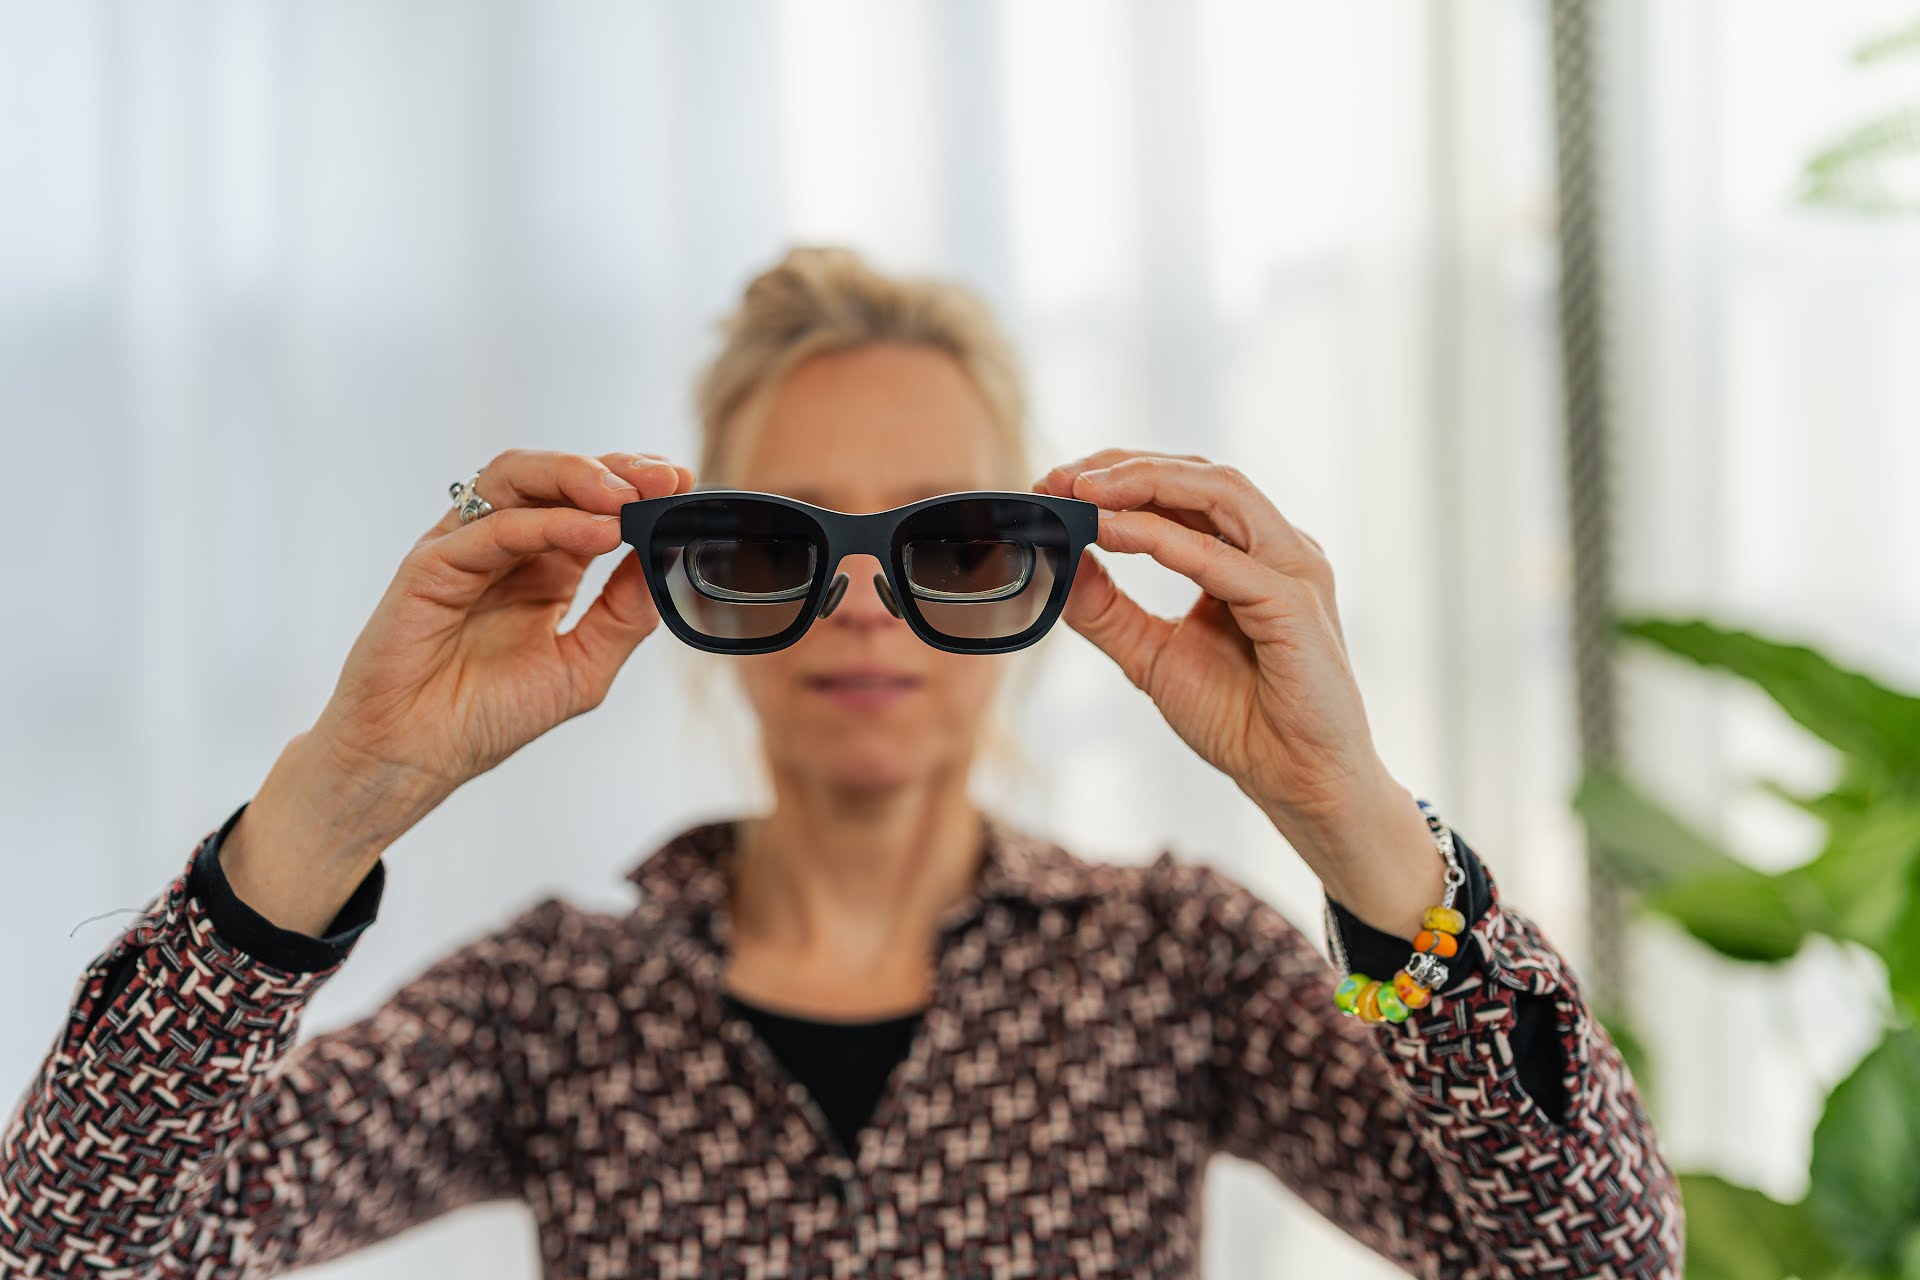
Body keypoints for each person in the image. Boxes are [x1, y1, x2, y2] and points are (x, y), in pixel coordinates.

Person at [0, 246, 1681, 1278]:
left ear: (1034, 576)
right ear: (690, 577)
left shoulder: (1173, 966)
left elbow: (1594, 1260)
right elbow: (72, 1248)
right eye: (776, 544)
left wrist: (1350, 817)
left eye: (949, 543)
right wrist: (337, 792)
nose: (865, 604)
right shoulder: (559, 1006)